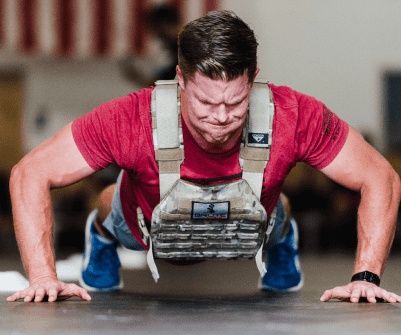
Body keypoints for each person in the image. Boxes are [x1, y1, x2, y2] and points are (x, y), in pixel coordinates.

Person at [7, 10, 401, 303]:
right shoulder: (130, 117)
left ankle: (282, 241)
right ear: (180, 79)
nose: (221, 118)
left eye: (235, 102)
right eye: (206, 102)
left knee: (273, 206)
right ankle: (101, 234)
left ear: (253, 78)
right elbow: (30, 173)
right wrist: (42, 276)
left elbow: (380, 176)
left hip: (251, 225)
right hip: (148, 229)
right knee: (111, 201)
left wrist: (366, 276)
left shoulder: (292, 113)